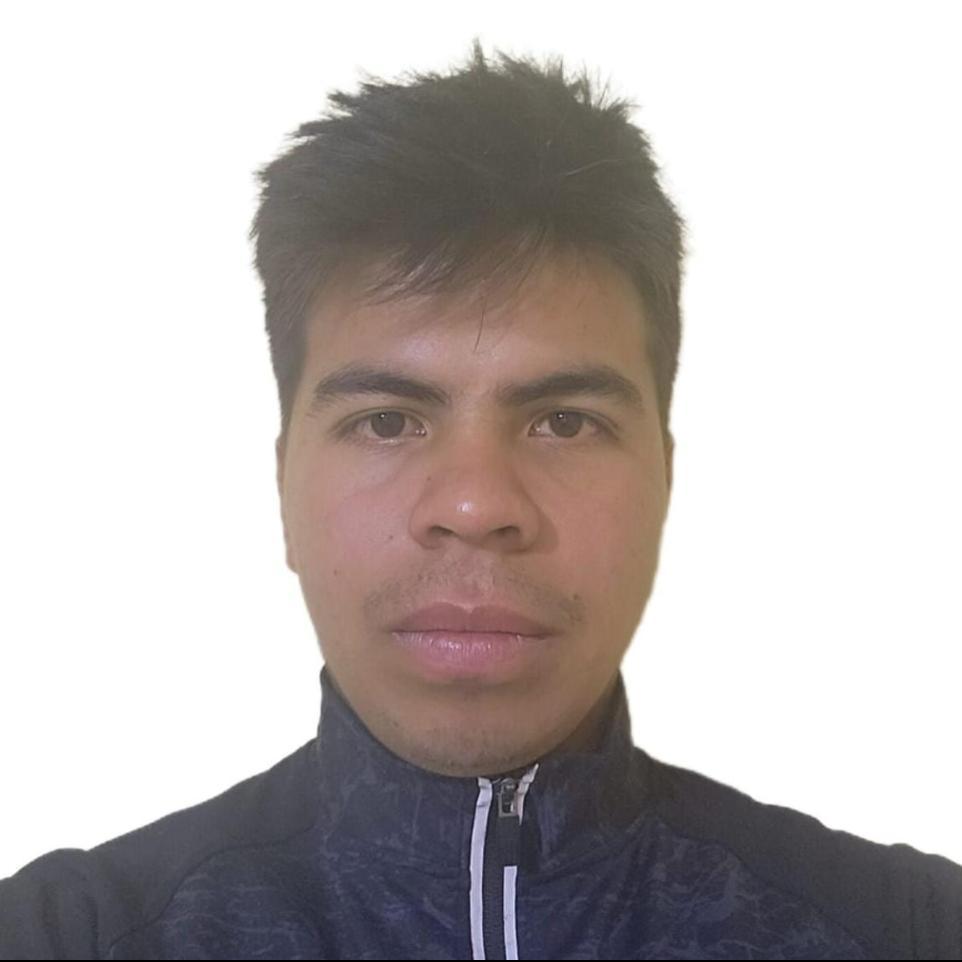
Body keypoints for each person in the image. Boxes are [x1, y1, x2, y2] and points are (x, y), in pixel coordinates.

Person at [1, 39, 960, 961]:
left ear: (664, 480)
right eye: (386, 421)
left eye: (565, 422)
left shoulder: (911, 932)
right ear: (283, 483)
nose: (473, 505)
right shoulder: (64, 937)